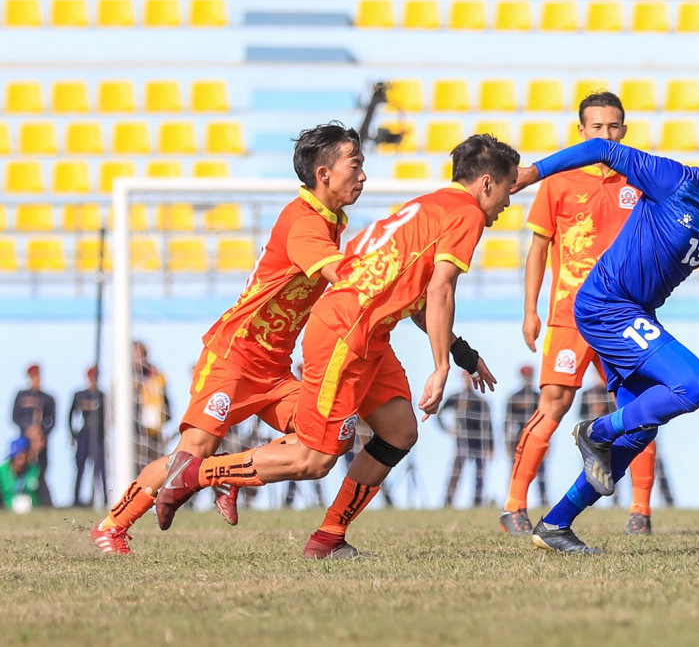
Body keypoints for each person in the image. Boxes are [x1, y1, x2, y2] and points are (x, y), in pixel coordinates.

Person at [153, 134, 517, 559]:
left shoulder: (431, 206)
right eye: (508, 189)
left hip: (370, 332)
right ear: (487, 183)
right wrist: (440, 368)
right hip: (346, 332)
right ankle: (199, 473)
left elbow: (414, 299)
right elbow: (440, 291)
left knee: (399, 431)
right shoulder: (468, 214)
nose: (509, 202)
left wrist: (461, 352)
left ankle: (328, 537)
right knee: (315, 459)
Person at [510, 125, 699, 553]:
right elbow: (602, 147)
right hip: (605, 304)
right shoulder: (673, 179)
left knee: (639, 432)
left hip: (635, 313)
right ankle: (595, 430)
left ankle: (555, 525)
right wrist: (533, 172)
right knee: (694, 383)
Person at [90, 122, 362, 555]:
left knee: (323, 438)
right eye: (356, 165)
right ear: (323, 173)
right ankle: (111, 526)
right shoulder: (304, 224)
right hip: (233, 358)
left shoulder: (330, 223)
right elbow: (346, 280)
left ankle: (227, 472)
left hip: (273, 370)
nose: (363, 176)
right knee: (189, 455)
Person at [501, 92, 659, 537]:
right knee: (553, 403)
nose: (606, 134)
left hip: (626, 315)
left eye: (613, 127)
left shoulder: (640, 180)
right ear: (581, 131)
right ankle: (514, 506)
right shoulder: (558, 182)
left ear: (624, 131)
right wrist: (530, 311)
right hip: (569, 315)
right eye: (597, 127)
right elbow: (538, 250)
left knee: (640, 408)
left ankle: (641, 510)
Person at [439, 370, 494, 508]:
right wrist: (447, 428)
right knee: (456, 473)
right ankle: (448, 501)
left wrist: (491, 447)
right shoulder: (456, 398)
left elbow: (489, 425)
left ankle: (477, 502)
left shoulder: (481, 401)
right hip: (462, 442)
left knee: (479, 475)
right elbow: (440, 413)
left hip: (479, 442)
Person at [12, 363, 55, 507]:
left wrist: (42, 435)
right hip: (25, 441)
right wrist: (28, 430)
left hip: (40, 442)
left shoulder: (47, 398)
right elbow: (15, 417)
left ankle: (44, 502)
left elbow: (52, 420)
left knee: (40, 471)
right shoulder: (21, 396)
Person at [503, 365, 544, 508]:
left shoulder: (539, 397)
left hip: (537, 438)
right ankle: (513, 500)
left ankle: (544, 500)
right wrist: (508, 443)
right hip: (518, 438)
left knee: (541, 471)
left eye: (529, 376)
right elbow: (507, 422)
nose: (528, 379)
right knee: (516, 471)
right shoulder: (514, 397)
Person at [68, 365, 107, 508]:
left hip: (98, 436)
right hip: (84, 435)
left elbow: (108, 418)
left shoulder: (102, 396)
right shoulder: (80, 395)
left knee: (101, 469)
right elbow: (71, 415)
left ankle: (105, 499)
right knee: (80, 468)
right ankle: (76, 499)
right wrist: (73, 433)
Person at [132, 341, 171, 473]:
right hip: (135, 432)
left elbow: (165, 401)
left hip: (154, 430)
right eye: (136, 355)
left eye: (142, 355)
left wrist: (166, 420)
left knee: (157, 467)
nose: (140, 359)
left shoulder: (154, 375)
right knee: (136, 470)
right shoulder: (127, 376)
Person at [0, 437, 40, 511]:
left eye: (22, 458)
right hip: (7, 509)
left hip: (32, 509)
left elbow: (43, 497)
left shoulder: (34, 471)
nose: (19, 463)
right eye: (16, 458)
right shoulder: (2, 472)